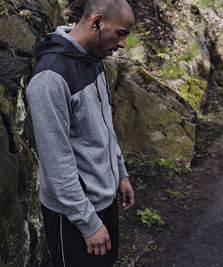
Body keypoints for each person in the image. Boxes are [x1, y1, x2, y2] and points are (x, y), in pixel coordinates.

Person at [26, 0, 135, 265]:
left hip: (103, 202)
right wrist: (88, 223)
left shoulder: (94, 58)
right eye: (121, 33)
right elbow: (56, 164)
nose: (122, 45)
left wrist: (119, 172)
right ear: (97, 22)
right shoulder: (50, 78)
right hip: (73, 216)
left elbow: (104, 125)